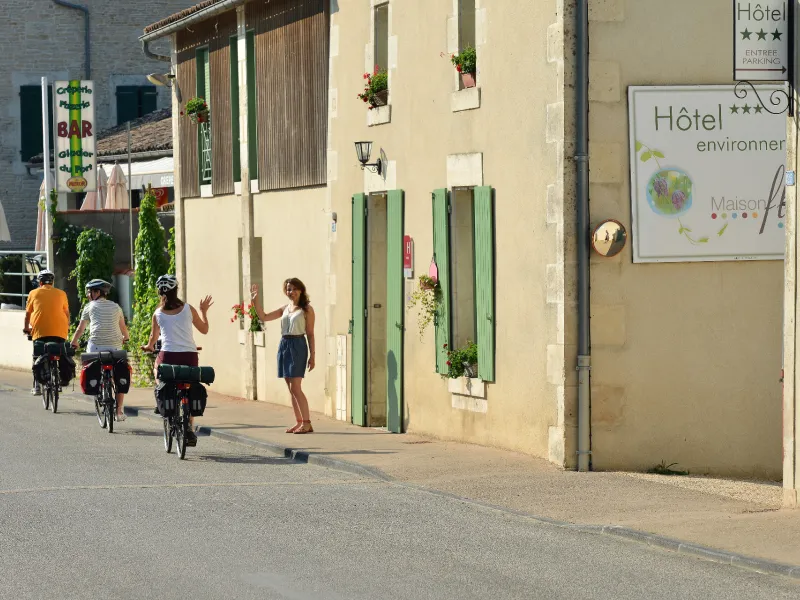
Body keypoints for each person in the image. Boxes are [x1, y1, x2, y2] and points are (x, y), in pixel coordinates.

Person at [141, 275, 213, 443]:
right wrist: (203, 311)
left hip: (168, 355)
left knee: (157, 369)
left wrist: (149, 346)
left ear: (160, 293)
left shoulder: (158, 313)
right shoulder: (189, 309)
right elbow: (204, 330)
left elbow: (153, 338)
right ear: (176, 290)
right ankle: (189, 427)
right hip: (190, 356)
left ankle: (161, 396)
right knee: (189, 386)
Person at [250, 278, 316, 434]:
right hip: (284, 344)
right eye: (288, 289)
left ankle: (307, 423)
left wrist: (312, 356)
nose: (291, 292)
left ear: (301, 290)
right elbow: (264, 317)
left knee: (296, 387)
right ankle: (299, 422)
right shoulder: (285, 308)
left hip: (298, 345)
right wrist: (255, 301)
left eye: (294, 289)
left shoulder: (307, 309)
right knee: (291, 388)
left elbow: (310, 334)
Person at [69, 279, 130, 421]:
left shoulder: (89, 307)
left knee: (92, 365)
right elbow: (123, 328)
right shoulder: (116, 307)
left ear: (97, 292)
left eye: (89, 292)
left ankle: (98, 388)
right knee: (119, 375)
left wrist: (74, 341)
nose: (88, 295)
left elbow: (80, 329)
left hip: (95, 347)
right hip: (115, 347)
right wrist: (126, 338)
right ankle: (119, 412)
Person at [23, 269, 69, 396]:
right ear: (52, 282)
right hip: (60, 331)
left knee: (36, 356)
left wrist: (26, 328)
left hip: (40, 331)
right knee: (59, 353)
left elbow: (28, 314)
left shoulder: (33, 293)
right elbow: (66, 313)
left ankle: (37, 386)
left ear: (40, 282)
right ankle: (59, 379)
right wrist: (67, 327)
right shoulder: (62, 293)